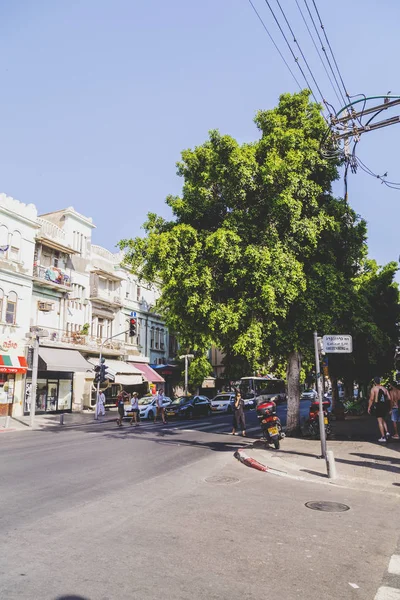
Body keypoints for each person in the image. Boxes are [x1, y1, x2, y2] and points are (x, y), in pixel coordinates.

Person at [368, 377, 390, 442]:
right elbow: (389, 398)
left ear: (374, 382)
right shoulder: (384, 389)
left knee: (380, 421)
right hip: (384, 406)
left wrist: (369, 407)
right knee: (383, 419)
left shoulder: (374, 389)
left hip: (378, 406)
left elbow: (371, 399)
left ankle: (383, 437)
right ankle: (387, 432)